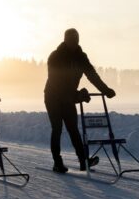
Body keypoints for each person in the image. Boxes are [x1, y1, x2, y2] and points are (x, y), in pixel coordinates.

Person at [44, 28, 116, 173]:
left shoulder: (81, 57)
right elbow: (55, 81)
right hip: (53, 97)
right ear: (65, 40)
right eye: (71, 39)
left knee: (73, 129)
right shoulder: (56, 56)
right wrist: (76, 95)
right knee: (57, 129)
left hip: (68, 97)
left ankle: (84, 161)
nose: (74, 42)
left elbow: (92, 75)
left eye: (76, 39)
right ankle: (57, 163)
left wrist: (105, 90)